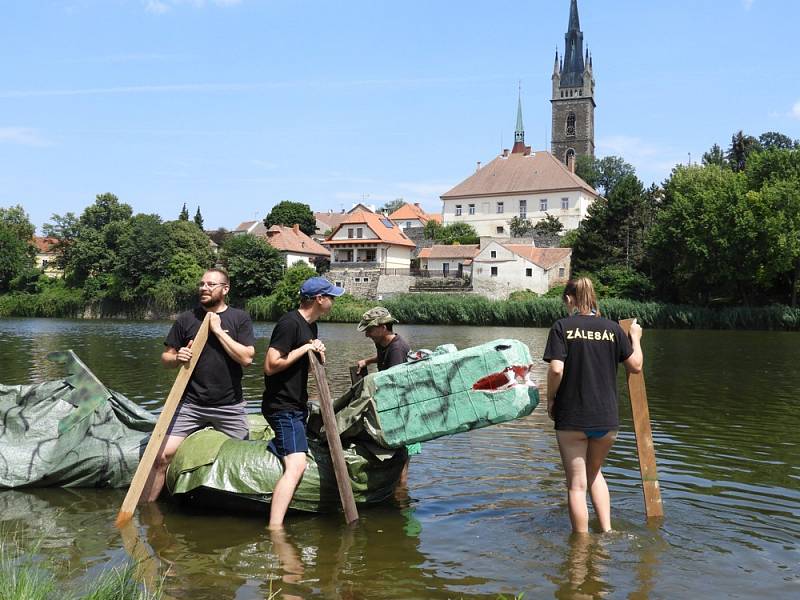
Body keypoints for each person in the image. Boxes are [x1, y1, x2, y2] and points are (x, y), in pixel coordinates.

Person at [143, 267, 256, 502]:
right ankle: (150, 511)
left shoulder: (239, 318)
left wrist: (216, 330)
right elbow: (166, 358)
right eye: (202, 284)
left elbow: (246, 358)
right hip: (191, 404)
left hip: (229, 406)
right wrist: (177, 357)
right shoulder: (186, 319)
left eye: (210, 284)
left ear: (225, 289)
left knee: (240, 461)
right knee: (162, 455)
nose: (204, 288)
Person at [542, 277, 643, 533]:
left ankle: (582, 544)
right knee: (594, 474)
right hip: (606, 419)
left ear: (568, 299)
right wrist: (636, 338)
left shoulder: (562, 326)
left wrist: (550, 399)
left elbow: (556, 369)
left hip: (573, 417)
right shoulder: (612, 329)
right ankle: (607, 531)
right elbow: (636, 366)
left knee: (576, 485)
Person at [262, 276, 344, 529]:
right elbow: (270, 365)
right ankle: (275, 527)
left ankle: (277, 448)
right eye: (331, 297)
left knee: (296, 453)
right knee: (297, 465)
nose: (333, 301)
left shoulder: (311, 327)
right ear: (319, 299)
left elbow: (303, 367)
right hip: (282, 406)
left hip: (297, 404)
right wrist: (305, 348)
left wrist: (317, 353)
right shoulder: (290, 323)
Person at [355, 307, 411, 374]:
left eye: (370, 330)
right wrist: (367, 361)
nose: (367, 335)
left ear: (383, 328)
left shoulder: (397, 350)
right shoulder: (381, 342)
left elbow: (395, 381)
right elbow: (382, 358)